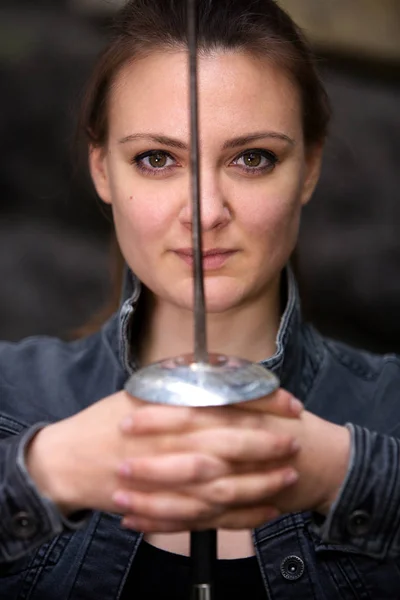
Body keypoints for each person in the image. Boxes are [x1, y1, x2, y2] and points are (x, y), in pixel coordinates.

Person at [1, 0, 400, 598]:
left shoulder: (389, 408)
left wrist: (347, 474)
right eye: (156, 159)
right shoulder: (10, 393)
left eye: (252, 158)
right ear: (102, 170)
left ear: (310, 168)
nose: (206, 213)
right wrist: (42, 476)